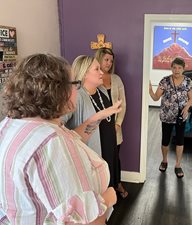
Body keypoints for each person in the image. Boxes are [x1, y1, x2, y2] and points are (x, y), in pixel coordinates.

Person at [0, 54, 117, 225]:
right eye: (74, 84)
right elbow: (79, 221)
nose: (77, 88)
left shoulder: (9, 125)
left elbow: (72, 136)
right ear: (58, 91)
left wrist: (96, 118)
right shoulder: (50, 143)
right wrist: (106, 200)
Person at [62, 55, 121, 194]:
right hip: (92, 154)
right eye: (97, 69)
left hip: (108, 148)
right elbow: (59, 125)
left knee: (108, 188)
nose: (102, 72)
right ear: (84, 73)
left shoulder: (101, 91)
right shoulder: (76, 96)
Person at [149, 57, 192, 178]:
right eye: (174, 67)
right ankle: (164, 161)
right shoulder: (165, 81)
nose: (177, 70)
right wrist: (148, 89)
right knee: (165, 139)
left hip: (181, 116)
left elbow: (191, 98)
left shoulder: (188, 81)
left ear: (184, 69)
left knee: (180, 140)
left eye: (179, 68)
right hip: (166, 116)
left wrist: (187, 107)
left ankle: (178, 165)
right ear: (171, 68)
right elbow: (155, 98)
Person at [95, 47, 128, 198]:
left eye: (111, 61)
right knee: (101, 159)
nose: (109, 63)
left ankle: (117, 183)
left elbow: (123, 104)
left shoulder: (116, 79)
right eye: (106, 60)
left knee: (115, 156)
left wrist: (118, 123)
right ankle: (104, 188)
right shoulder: (93, 79)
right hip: (98, 128)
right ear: (99, 59)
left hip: (115, 127)